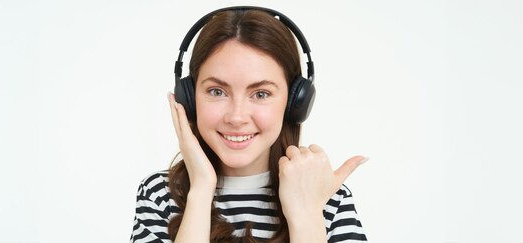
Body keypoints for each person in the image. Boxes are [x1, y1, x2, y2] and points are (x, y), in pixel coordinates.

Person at [131, 6, 368, 243]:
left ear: (295, 102)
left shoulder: (323, 195)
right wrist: (201, 189)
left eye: (261, 94)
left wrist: (307, 216)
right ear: (189, 98)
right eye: (217, 91)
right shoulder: (160, 194)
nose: (237, 117)